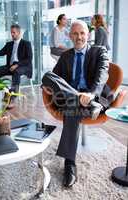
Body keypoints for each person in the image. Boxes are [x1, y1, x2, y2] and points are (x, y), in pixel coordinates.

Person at [42, 20, 110, 188]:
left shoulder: (99, 51)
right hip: (72, 96)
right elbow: (52, 78)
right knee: (47, 77)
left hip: (93, 95)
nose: (79, 37)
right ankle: (77, 96)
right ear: (70, 36)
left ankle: (69, 164)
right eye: (75, 33)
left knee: (72, 107)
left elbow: (103, 75)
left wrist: (91, 94)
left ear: (88, 35)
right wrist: (49, 86)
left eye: (82, 33)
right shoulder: (65, 56)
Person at [0, 24, 33, 103]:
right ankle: (7, 90)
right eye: (11, 32)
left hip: (23, 66)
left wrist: (17, 65)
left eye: (14, 32)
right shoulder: (9, 44)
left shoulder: (26, 43)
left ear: (19, 33)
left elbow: (29, 59)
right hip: (10, 66)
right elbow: (1, 52)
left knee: (16, 71)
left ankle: (12, 95)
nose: (12, 34)